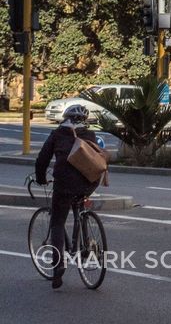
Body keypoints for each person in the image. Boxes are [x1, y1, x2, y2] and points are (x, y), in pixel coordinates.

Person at [34, 101, 105, 289]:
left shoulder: (57, 134)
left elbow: (42, 159)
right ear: (84, 120)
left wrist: (40, 178)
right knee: (79, 205)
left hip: (64, 185)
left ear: (65, 118)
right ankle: (82, 245)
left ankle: (58, 268)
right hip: (88, 183)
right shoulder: (90, 134)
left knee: (57, 223)